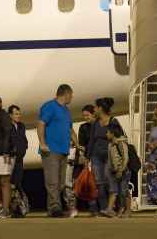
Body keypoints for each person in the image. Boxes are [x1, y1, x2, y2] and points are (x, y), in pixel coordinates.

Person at [37, 84, 78, 218]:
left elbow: (70, 128)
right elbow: (41, 124)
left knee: (60, 183)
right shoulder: (50, 106)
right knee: (52, 181)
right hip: (51, 150)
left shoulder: (66, 110)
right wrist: (42, 143)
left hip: (63, 150)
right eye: (71, 95)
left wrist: (77, 143)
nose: (72, 97)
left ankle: (54, 208)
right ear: (65, 94)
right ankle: (55, 208)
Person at [86, 98, 120, 216]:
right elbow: (91, 140)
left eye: (95, 107)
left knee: (110, 181)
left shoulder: (113, 121)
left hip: (109, 156)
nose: (94, 109)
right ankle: (104, 208)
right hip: (96, 156)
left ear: (100, 108)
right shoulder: (95, 123)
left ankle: (113, 207)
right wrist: (87, 157)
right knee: (99, 183)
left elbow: (119, 138)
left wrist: (111, 136)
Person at [101, 122, 131, 218]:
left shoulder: (121, 143)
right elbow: (110, 160)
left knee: (124, 191)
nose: (106, 134)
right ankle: (110, 209)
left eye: (108, 133)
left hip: (123, 171)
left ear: (112, 133)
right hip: (114, 171)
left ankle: (128, 210)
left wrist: (121, 170)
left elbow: (126, 158)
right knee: (113, 190)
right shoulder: (110, 145)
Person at [9, 105, 28, 193]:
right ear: (10, 115)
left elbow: (23, 138)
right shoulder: (6, 126)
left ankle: (16, 201)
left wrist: (25, 147)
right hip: (10, 158)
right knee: (9, 181)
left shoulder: (22, 126)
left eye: (19, 114)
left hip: (20, 157)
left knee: (18, 181)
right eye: (16, 114)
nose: (18, 116)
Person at [76, 105, 95, 179]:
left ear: (93, 114)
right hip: (89, 157)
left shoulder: (101, 124)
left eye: (87, 115)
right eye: (84, 116)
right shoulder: (83, 127)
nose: (85, 117)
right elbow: (82, 145)